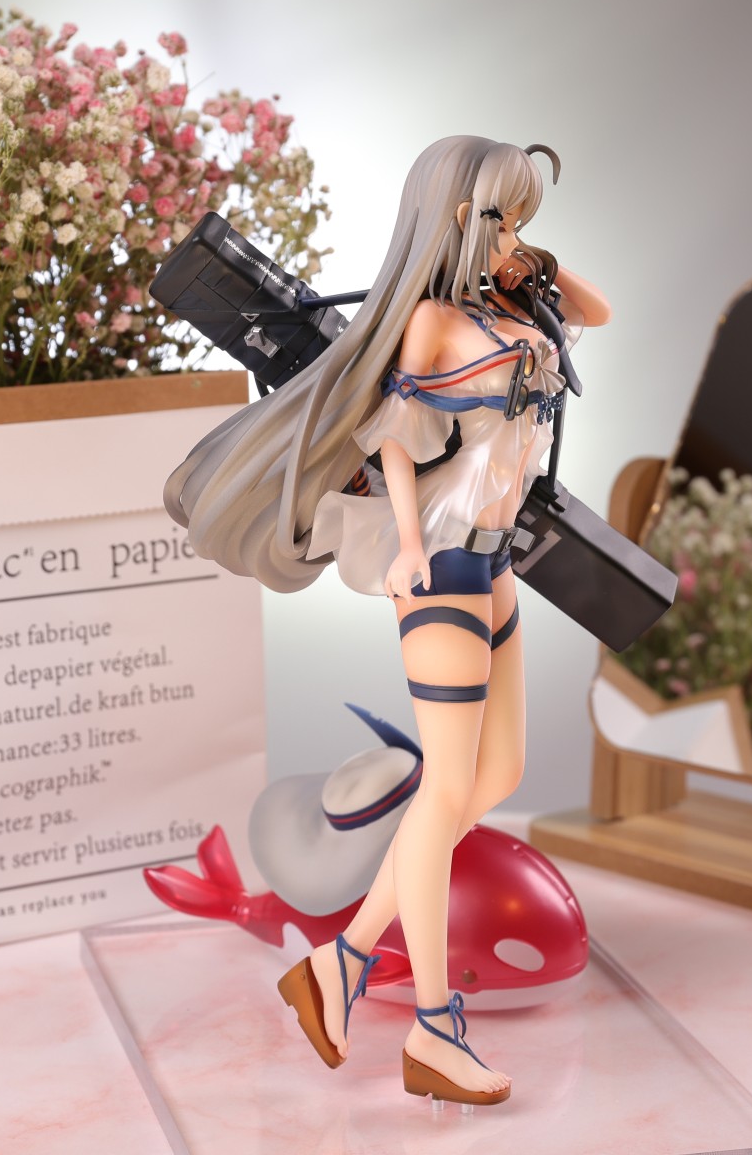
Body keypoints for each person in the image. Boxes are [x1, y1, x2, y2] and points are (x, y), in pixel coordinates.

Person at [164, 134, 612, 1108]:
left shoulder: (512, 307)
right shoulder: (432, 325)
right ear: (457, 217)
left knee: (495, 775)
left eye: (523, 219)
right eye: (502, 217)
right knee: (447, 789)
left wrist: (531, 259)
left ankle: (343, 962)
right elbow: (397, 444)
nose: (515, 237)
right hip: (442, 565)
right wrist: (407, 545)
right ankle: (435, 1031)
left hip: (494, 561)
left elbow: (597, 312)